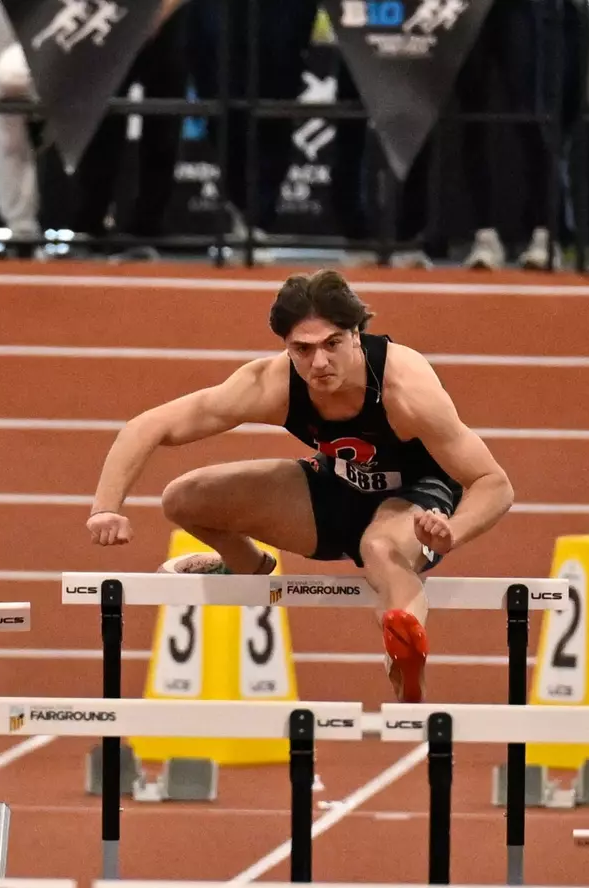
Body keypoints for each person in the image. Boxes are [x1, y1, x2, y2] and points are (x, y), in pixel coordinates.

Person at [85, 269, 514, 703]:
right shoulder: (272, 383)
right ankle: (244, 565)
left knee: (380, 551)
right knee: (183, 499)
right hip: (336, 490)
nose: (319, 363)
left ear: (355, 335)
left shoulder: (405, 390)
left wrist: (452, 532)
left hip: (417, 502)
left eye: (331, 344)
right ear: (286, 347)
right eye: (302, 350)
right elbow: (149, 425)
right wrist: (105, 507)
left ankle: (403, 661)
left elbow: (493, 483)